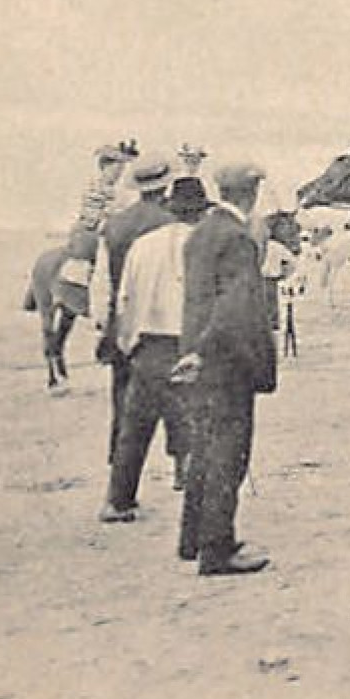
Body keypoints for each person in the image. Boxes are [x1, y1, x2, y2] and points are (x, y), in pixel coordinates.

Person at [174, 164, 277, 577]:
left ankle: (192, 537)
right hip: (225, 361)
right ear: (251, 194)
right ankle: (217, 548)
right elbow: (236, 308)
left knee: (203, 446)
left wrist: (194, 351)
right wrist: (244, 359)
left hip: (195, 358)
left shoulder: (200, 233)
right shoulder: (238, 239)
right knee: (228, 453)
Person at [98, 176, 209, 523]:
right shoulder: (204, 243)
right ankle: (195, 505)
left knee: (135, 428)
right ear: (201, 211)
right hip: (186, 344)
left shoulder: (143, 245)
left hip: (147, 346)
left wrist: (129, 345)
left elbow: (124, 300)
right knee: (194, 423)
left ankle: (118, 502)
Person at [92, 159, 176, 476]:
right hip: (165, 320)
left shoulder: (114, 224)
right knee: (175, 397)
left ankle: (119, 464)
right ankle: (180, 463)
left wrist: (103, 325)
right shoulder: (172, 222)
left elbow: (102, 281)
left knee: (124, 397)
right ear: (165, 186)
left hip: (125, 321)